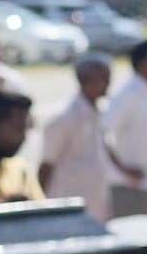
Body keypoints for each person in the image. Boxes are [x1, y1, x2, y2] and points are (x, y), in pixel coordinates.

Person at [40, 57, 137, 222]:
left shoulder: (100, 109)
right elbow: (47, 165)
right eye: (103, 78)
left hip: (97, 200)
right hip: (70, 205)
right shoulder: (64, 118)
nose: (108, 83)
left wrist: (124, 169)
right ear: (84, 81)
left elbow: (104, 144)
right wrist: (41, 204)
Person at [106, 39, 147, 217]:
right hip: (133, 188)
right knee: (135, 240)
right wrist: (123, 168)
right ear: (142, 63)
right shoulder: (126, 95)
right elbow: (103, 133)